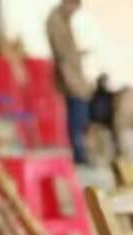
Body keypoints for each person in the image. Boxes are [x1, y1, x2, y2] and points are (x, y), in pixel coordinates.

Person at [45, 0, 90, 166]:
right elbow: (61, 54)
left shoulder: (63, 19)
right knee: (77, 116)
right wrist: (70, 79)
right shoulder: (55, 20)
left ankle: (80, 152)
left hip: (73, 74)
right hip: (70, 77)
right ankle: (78, 154)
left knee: (79, 115)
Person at [88, 74, 123, 159]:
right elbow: (92, 109)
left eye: (105, 81)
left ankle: (118, 154)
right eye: (103, 81)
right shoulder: (94, 95)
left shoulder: (110, 95)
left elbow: (114, 109)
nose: (104, 83)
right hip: (97, 122)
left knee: (115, 136)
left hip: (108, 122)